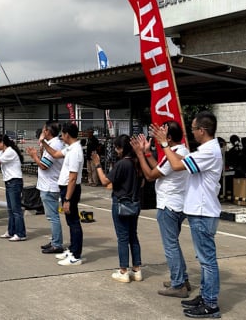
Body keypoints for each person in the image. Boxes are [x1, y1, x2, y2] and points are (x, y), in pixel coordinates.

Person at [150, 111, 223, 318]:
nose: (191, 132)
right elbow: (184, 160)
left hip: (203, 212)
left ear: (202, 130)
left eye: (193, 129)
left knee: (207, 261)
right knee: (204, 260)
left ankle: (211, 304)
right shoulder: (207, 149)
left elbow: (175, 164)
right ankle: (206, 296)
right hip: (199, 211)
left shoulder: (209, 151)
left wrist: (164, 144)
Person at [130, 121, 191, 298]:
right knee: (174, 244)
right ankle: (181, 279)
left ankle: (178, 284)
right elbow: (160, 166)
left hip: (169, 206)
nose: (157, 135)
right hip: (178, 204)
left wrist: (140, 154)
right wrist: (148, 152)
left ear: (169, 137)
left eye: (161, 132)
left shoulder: (174, 152)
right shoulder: (180, 151)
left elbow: (150, 175)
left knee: (170, 246)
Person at [92, 134, 143, 283]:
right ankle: (137, 269)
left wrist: (98, 164)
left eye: (117, 147)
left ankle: (123, 270)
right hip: (135, 202)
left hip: (121, 203)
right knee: (133, 235)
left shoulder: (122, 164)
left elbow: (104, 181)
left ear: (121, 148)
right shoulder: (137, 162)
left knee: (122, 237)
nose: (116, 150)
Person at [40, 123, 84, 266]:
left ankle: (76, 255)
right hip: (66, 188)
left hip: (70, 190)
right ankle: (72, 250)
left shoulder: (75, 151)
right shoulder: (70, 148)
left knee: (74, 223)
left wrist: (67, 199)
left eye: (63, 135)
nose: (61, 137)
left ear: (67, 135)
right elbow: (55, 154)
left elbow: (72, 178)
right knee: (70, 222)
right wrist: (43, 143)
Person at [25, 121, 65, 254]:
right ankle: (55, 240)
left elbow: (44, 165)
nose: (42, 132)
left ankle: (57, 244)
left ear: (47, 131)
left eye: (43, 130)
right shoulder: (54, 144)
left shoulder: (54, 144)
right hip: (49, 184)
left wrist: (34, 156)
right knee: (51, 216)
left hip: (50, 186)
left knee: (53, 216)